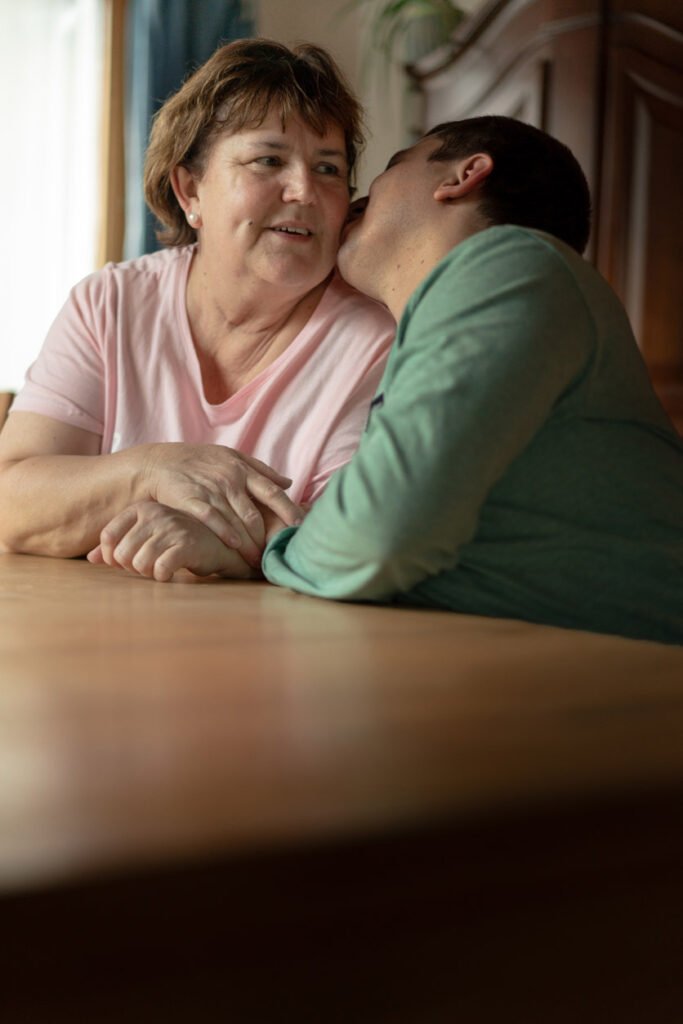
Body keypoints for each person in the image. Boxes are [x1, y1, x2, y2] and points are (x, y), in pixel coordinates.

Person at [88, 116, 683, 645]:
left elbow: (376, 539)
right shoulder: (444, 322)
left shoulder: (510, 265)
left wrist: (256, 533)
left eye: (394, 167)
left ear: (463, 175)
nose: (354, 197)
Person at [0, 39, 395, 574]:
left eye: (328, 168)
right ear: (189, 191)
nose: (304, 189)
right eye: (268, 160)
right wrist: (153, 471)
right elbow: (11, 503)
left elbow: (357, 538)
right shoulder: (110, 304)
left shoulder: (379, 334)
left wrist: (228, 547)